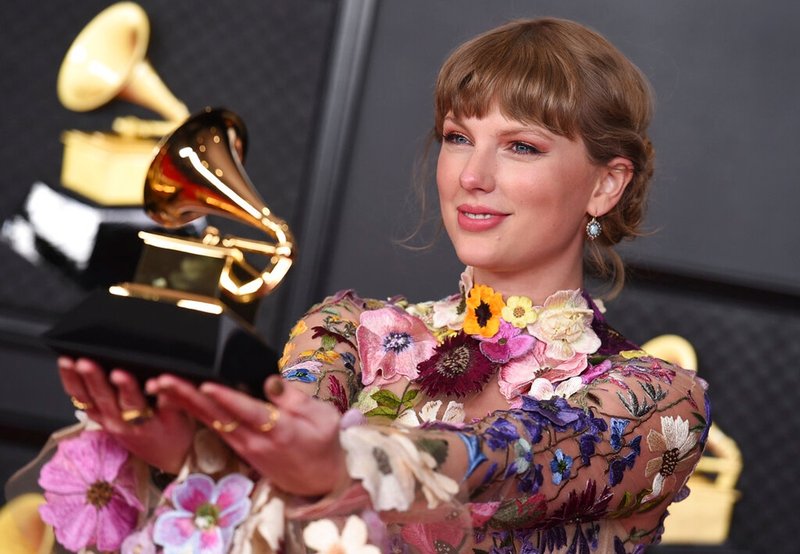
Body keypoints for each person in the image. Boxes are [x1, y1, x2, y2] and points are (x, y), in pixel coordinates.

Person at [22, 17, 710, 553]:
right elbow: (280, 450)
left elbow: (511, 459)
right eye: (457, 136)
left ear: (605, 183)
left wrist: (349, 460)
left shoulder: (655, 399)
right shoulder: (352, 331)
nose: (472, 175)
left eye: (522, 146)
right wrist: (187, 452)